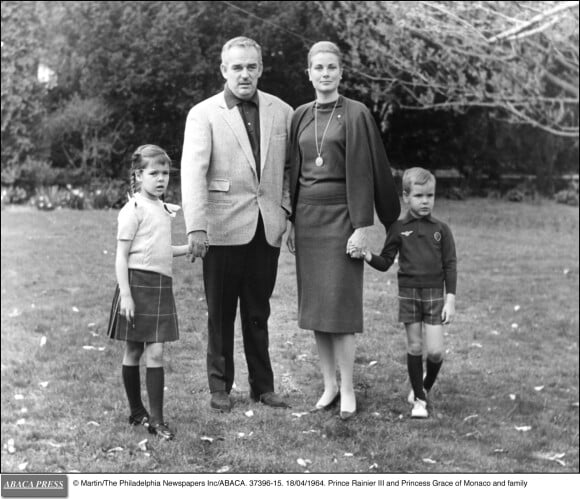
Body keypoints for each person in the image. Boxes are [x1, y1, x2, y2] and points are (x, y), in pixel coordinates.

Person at [287, 41, 400, 420]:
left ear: (340, 72)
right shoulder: (300, 115)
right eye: (318, 67)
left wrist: (363, 225)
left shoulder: (357, 113)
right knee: (318, 310)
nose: (325, 74)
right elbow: (294, 172)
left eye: (331, 67)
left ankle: (349, 388)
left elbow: (373, 169)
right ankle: (329, 385)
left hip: (343, 218)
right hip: (308, 220)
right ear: (309, 72)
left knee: (342, 308)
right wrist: (291, 222)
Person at [181, 36, 293, 412]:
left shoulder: (283, 111)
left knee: (258, 312)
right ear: (223, 70)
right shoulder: (204, 113)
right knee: (221, 312)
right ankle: (219, 387)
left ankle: (263, 386)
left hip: (267, 227)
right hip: (222, 227)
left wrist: (287, 214)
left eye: (251, 66)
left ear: (260, 68)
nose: (244, 74)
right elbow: (193, 173)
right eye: (237, 67)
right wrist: (196, 227)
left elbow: (290, 171)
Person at [355, 167, 457, 418]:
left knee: (434, 352)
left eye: (430, 196)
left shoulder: (441, 230)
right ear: (406, 197)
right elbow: (386, 261)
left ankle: (424, 385)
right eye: (419, 196)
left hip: (434, 295)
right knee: (414, 346)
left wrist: (450, 299)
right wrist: (368, 255)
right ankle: (419, 402)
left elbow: (450, 265)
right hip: (409, 293)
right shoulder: (399, 229)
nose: (425, 201)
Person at [107, 144, 189, 440]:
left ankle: (156, 420)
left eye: (165, 173)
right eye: (154, 173)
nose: (161, 179)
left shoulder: (163, 209)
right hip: (136, 285)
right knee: (133, 349)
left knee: (156, 351)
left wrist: (189, 249)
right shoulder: (134, 209)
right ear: (139, 175)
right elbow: (121, 256)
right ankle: (136, 410)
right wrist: (126, 294)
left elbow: (160, 250)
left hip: (160, 286)